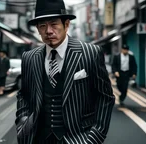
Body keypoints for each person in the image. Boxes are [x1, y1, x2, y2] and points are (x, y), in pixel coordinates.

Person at [15, 0, 115, 143]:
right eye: (42, 25)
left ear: (66, 24)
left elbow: (105, 97)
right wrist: (23, 122)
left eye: (54, 24)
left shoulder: (90, 53)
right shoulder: (29, 58)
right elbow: (23, 94)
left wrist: (95, 137)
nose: (48, 31)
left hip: (79, 138)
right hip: (37, 138)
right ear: (37, 29)